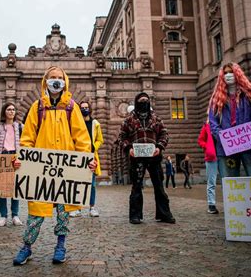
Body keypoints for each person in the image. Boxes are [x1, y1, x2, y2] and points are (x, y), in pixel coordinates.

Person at [12, 66, 96, 266]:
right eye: (52, 78)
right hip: (41, 170)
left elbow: (82, 138)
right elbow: (27, 138)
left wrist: (86, 160)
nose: (56, 81)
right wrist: (22, 158)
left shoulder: (72, 107)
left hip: (66, 171)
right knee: (36, 214)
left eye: (59, 78)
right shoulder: (37, 107)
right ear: (45, 81)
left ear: (65, 81)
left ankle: (60, 246)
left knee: (63, 213)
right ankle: (27, 247)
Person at [118, 92, 175, 224]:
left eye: (146, 100)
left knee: (159, 186)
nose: (144, 102)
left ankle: (164, 214)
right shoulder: (129, 120)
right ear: (137, 103)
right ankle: (135, 215)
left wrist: (159, 147)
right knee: (136, 186)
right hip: (137, 158)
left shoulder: (156, 118)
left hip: (154, 157)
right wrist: (128, 149)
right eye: (141, 100)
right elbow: (122, 137)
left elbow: (164, 134)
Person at [208, 62, 251, 177]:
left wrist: (247, 134)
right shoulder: (216, 99)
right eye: (225, 73)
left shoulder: (250, 95)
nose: (228, 75)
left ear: (237, 74)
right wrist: (222, 137)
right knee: (230, 184)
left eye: (231, 72)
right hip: (226, 147)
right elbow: (213, 122)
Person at [0, 102, 23, 227]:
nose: (11, 111)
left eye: (13, 109)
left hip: (15, 158)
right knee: (1, 189)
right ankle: (3, 216)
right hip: (1, 157)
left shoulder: (20, 127)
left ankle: (15, 215)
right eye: (9, 109)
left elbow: (25, 143)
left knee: (15, 188)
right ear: (4, 112)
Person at [70, 101, 104, 217]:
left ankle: (92, 207)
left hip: (91, 157)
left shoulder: (95, 123)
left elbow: (100, 139)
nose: (84, 109)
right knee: (78, 184)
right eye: (82, 108)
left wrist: (95, 146)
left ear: (89, 109)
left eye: (86, 107)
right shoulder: (76, 123)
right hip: (79, 157)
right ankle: (77, 208)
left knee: (92, 184)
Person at [198, 118, 219, 214]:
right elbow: (200, 140)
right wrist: (207, 147)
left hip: (224, 156)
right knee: (211, 182)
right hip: (211, 157)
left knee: (227, 180)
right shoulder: (206, 126)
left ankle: (230, 203)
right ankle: (211, 205)